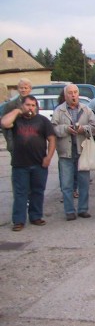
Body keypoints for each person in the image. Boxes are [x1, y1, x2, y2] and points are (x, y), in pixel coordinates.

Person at [1, 95, 56, 231]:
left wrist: (48, 157)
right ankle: (19, 220)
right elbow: (4, 123)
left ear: (36, 107)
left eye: (33, 105)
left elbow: (52, 139)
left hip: (39, 163)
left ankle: (35, 216)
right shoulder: (17, 120)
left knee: (38, 191)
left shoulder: (42, 121)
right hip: (20, 164)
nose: (30, 108)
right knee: (20, 193)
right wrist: (17, 112)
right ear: (22, 106)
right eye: (27, 105)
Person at [52, 84, 95, 221]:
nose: (73, 95)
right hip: (65, 152)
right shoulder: (59, 111)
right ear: (65, 95)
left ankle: (83, 209)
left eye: (75, 92)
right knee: (66, 184)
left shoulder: (86, 109)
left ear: (78, 94)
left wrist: (84, 129)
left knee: (84, 183)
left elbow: (94, 128)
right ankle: (69, 211)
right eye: (70, 93)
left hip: (82, 151)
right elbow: (53, 128)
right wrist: (66, 129)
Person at [2, 78, 36, 154]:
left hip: (31, 141)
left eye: (25, 88)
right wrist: (9, 141)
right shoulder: (10, 105)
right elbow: (3, 125)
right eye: (21, 88)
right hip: (16, 142)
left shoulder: (34, 103)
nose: (23, 90)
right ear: (18, 89)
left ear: (30, 89)